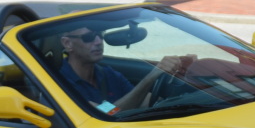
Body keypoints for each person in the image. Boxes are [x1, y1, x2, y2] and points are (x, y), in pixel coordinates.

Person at [59, 24, 193, 113]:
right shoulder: (60, 83)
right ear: (67, 43)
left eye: (100, 34)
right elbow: (109, 113)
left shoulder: (108, 74)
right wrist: (152, 76)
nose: (99, 41)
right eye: (88, 37)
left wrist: (183, 75)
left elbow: (146, 101)